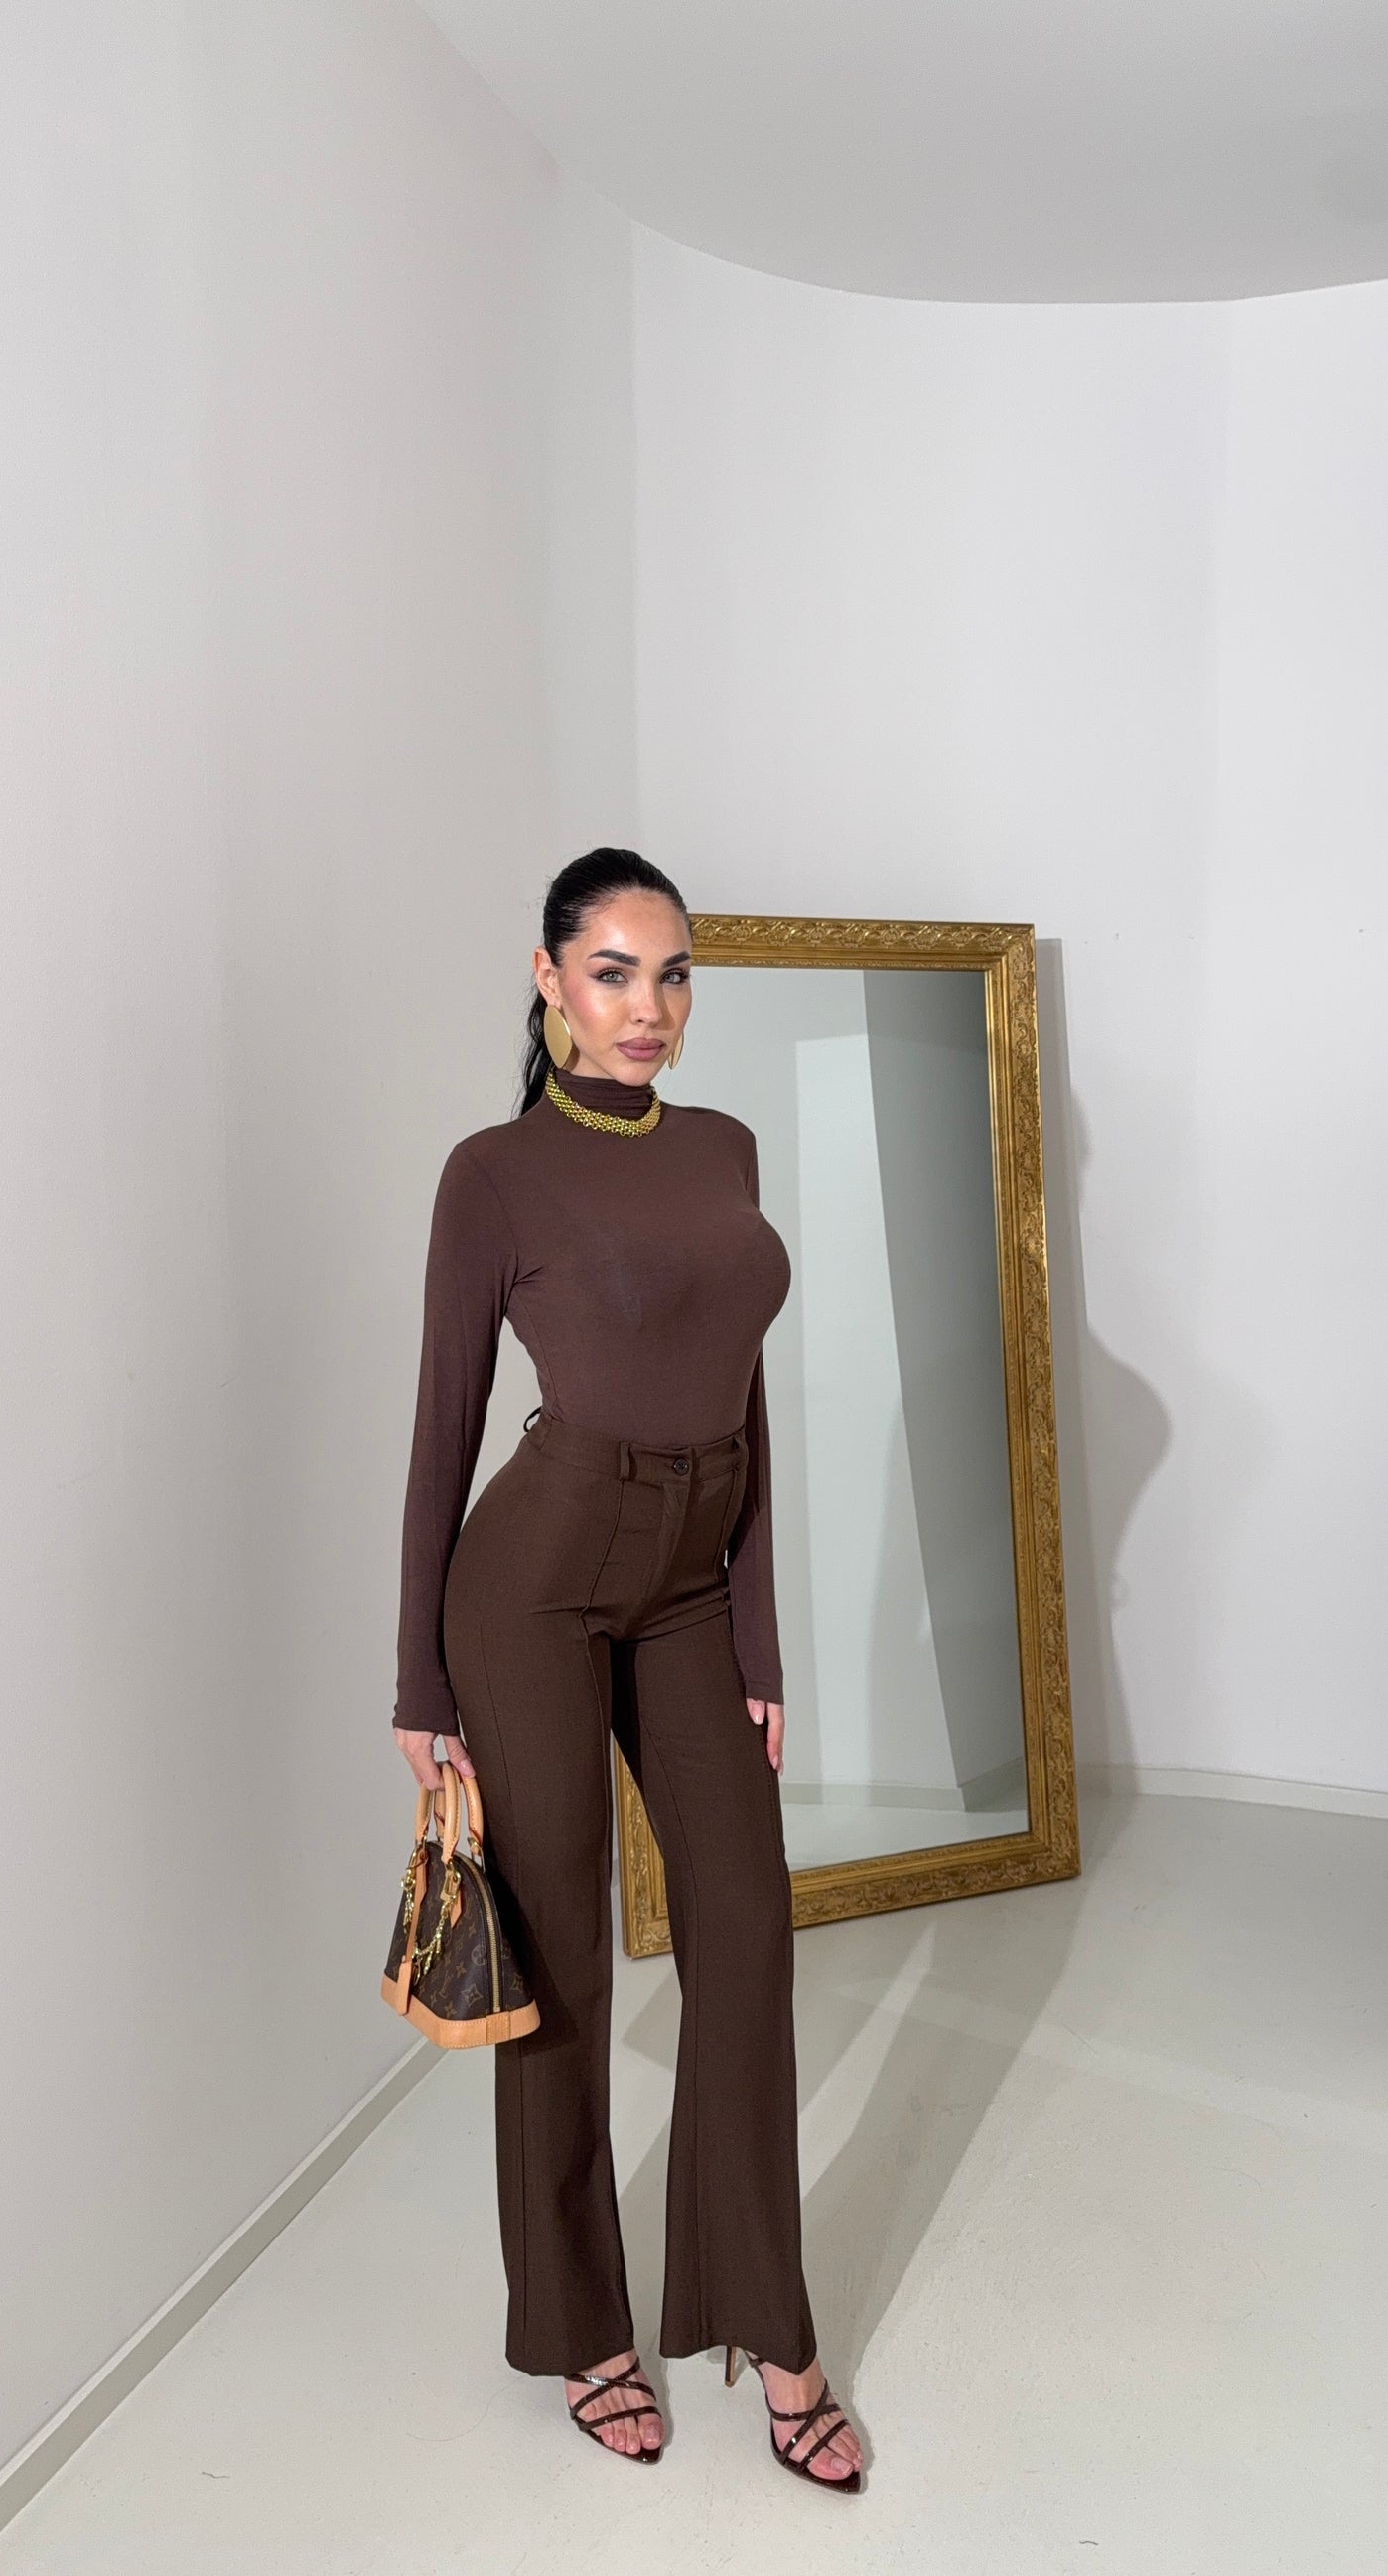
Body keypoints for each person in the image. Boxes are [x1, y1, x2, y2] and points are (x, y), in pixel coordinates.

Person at [391, 850, 865, 2490]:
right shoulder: (493, 1174)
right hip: (529, 1589)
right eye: (611, 972)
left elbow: (741, 1396)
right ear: (549, 979)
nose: (646, 1007)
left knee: (744, 1935)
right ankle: (585, 2326)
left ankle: (767, 2325)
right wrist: (418, 1683)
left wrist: (755, 1632)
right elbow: (444, 1425)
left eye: (670, 975)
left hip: (685, 1590)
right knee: (566, 1966)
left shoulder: (721, 1147)